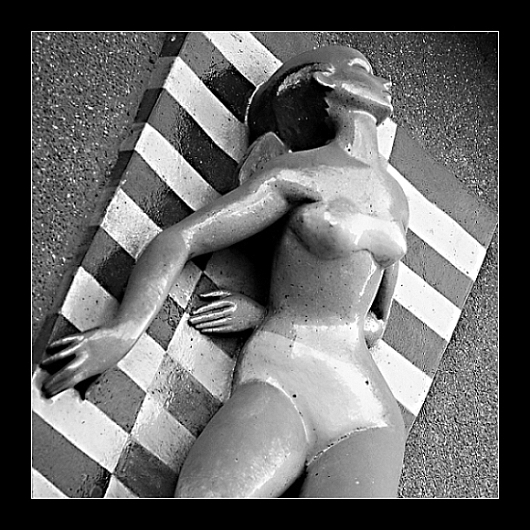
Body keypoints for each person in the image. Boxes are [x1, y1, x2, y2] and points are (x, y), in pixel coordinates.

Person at [40, 46, 409, 498]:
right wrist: (123, 331)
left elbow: (374, 324)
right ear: (326, 80)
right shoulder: (295, 175)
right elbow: (183, 239)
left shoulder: (396, 199)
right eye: (362, 70)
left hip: (367, 411)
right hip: (284, 372)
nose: (385, 82)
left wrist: (262, 312)